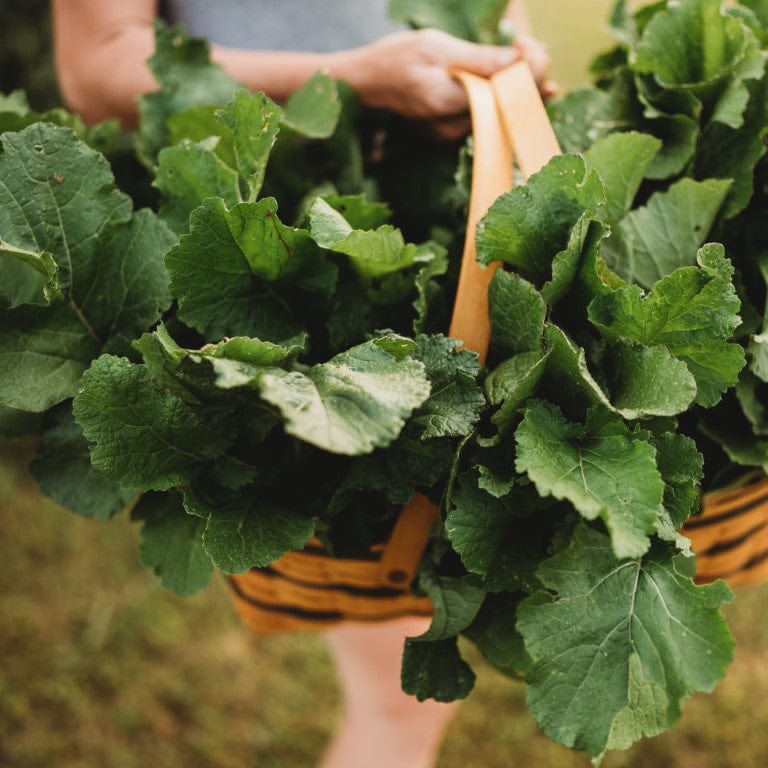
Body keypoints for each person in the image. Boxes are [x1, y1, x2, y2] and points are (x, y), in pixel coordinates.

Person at [50, 3, 552, 767]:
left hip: (441, 199)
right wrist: (358, 79)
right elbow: (97, 67)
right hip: (251, 211)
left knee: (397, 698)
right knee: (393, 699)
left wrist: (501, 45)